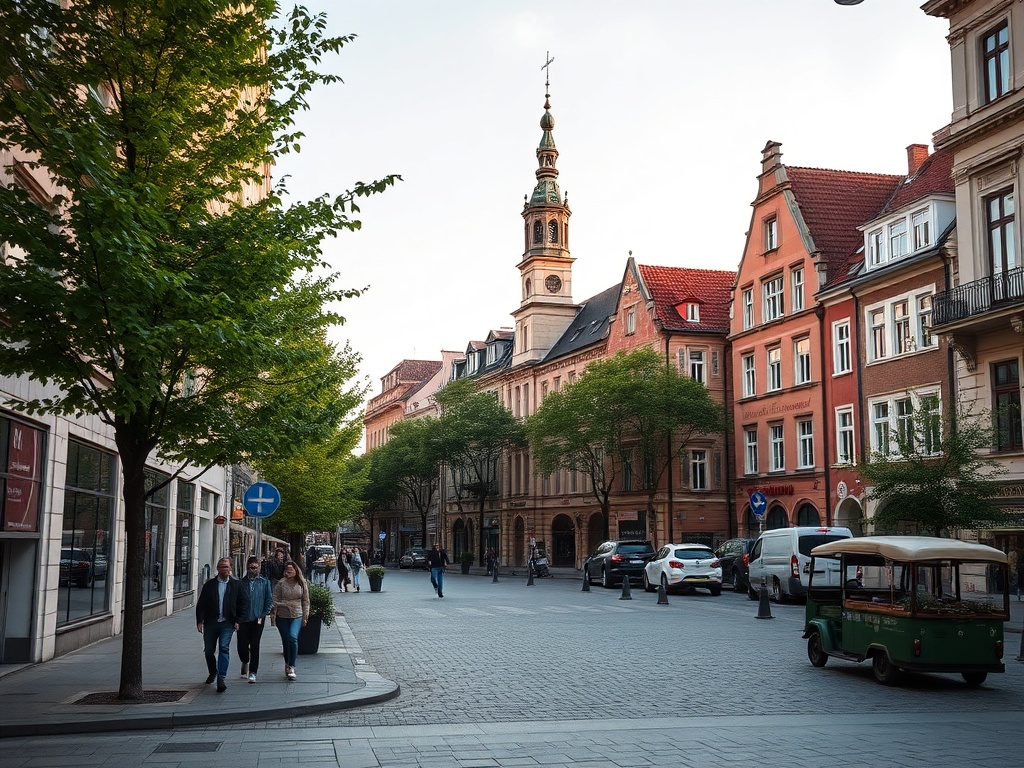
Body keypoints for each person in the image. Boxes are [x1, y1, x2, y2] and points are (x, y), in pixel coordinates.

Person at [196, 557, 249, 692]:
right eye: (221, 567)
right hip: (211, 623)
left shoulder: (236, 585)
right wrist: (199, 621)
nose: (223, 569)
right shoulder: (210, 585)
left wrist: (238, 620)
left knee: (224, 648)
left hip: (228, 623)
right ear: (218, 569)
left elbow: (244, 604)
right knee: (209, 651)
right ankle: (213, 671)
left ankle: (221, 677)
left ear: (230, 568)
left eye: (226, 567)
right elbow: (201, 604)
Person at [270, 560, 309, 680]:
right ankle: (287, 663)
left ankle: (292, 665)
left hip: (297, 614)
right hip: (282, 615)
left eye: (291, 569)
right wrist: (274, 615)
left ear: (296, 571)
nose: (289, 571)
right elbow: (274, 600)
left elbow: (306, 601)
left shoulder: (302, 583)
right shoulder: (281, 583)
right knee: (286, 640)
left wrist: (305, 616)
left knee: (293, 637)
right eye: (287, 569)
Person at [237, 556, 273, 684]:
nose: (254, 570)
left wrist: (264, 613)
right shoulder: (240, 583)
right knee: (242, 646)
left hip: (258, 618)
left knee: (255, 645)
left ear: (259, 568)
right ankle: (245, 661)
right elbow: (236, 601)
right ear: (247, 567)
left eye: (256, 568)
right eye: (252, 568)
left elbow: (269, 599)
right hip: (243, 619)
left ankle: (253, 672)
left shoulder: (264, 582)